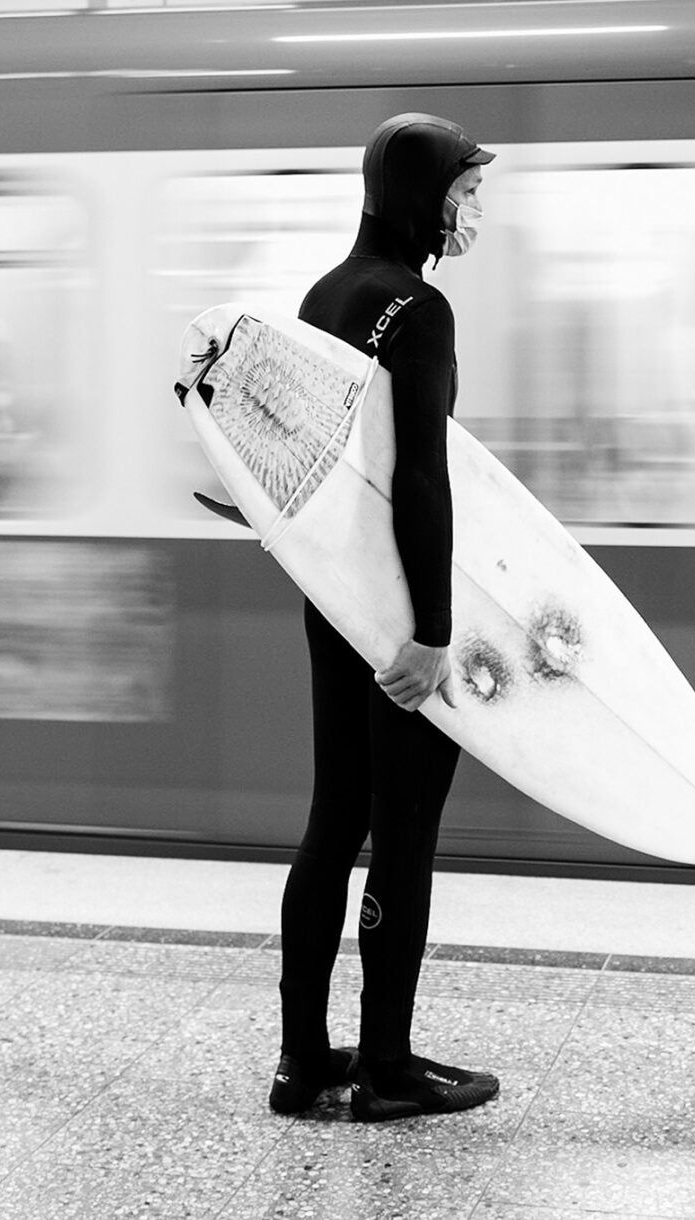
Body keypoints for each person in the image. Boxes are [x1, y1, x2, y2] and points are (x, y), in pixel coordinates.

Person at [268, 112, 502, 1123]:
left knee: (334, 821)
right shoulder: (419, 307)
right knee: (403, 832)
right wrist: (434, 631)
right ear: (423, 194)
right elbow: (419, 476)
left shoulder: (325, 295)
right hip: (399, 608)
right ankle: (390, 1066)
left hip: (332, 597)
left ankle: (304, 1060)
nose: (473, 210)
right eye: (464, 190)